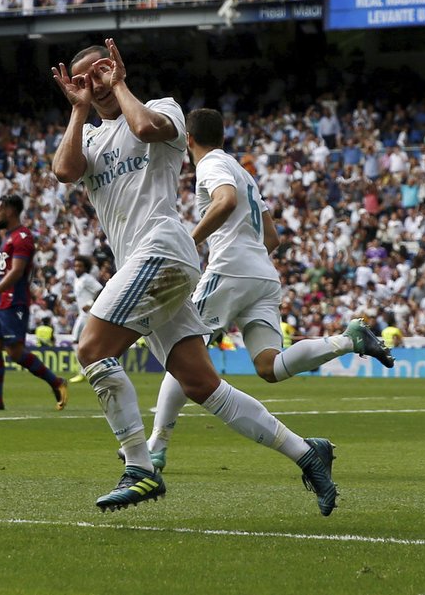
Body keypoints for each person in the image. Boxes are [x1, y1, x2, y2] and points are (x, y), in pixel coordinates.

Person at [51, 39, 338, 515]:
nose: (95, 83)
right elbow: (64, 171)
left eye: (101, 71)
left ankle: (140, 468)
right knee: (201, 384)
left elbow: (143, 128)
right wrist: (79, 109)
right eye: (84, 79)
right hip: (144, 266)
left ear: (117, 68)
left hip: (162, 249)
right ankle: (306, 452)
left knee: (91, 349)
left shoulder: (163, 109)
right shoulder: (88, 138)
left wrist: (117, 84)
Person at [144, 108, 394, 471]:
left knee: (185, 352)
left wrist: (190, 241)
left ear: (188, 140)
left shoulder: (210, 164)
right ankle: (349, 339)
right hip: (262, 273)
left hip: (230, 268)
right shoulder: (242, 170)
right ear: (224, 137)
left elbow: (224, 200)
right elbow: (272, 237)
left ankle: (157, 445)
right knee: (270, 366)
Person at [0, 194, 68, 412]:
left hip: (14, 301)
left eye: (0, 209)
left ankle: (56, 382)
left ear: (11, 210)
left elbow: (17, 272)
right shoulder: (9, 237)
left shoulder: (23, 237)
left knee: (15, 352)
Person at [68, 255, 103, 383]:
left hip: (88, 315)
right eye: (76, 266)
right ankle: (87, 370)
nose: (77, 268)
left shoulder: (88, 279)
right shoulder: (78, 280)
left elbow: (100, 290)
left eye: (80, 266)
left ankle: (84, 372)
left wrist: (89, 303)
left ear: (86, 267)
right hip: (82, 314)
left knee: (76, 340)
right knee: (80, 342)